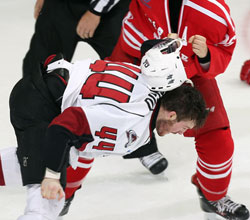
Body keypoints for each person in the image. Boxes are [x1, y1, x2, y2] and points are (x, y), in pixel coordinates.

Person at [78, 0, 250, 220]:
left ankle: (213, 196)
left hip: (185, 69)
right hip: (133, 57)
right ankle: (65, 187)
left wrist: (206, 55)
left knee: (217, 136)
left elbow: (226, 48)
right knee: (94, 119)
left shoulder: (211, 9)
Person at [0, 38, 207, 220]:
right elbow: (62, 127)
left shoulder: (153, 78)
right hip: (41, 104)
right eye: (184, 127)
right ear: (172, 115)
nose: (181, 133)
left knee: (39, 162)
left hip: (45, 88)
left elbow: (149, 48)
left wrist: (169, 43)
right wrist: (52, 175)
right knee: (46, 206)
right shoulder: (133, 120)